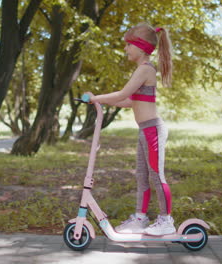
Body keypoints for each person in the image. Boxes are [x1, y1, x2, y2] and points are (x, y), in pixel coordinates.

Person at [86, 23, 174, 236]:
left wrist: (96, 97)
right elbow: (128, 101)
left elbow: (121, 94)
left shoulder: (145, 69)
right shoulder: (142, 69)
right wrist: (102, 102)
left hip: (152, 130)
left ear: (141, 47)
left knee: (156, 175)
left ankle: (166, 220)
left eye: (128, 45)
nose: (125, 49)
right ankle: (140, 218)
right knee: (142, 176)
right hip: (145, 130)